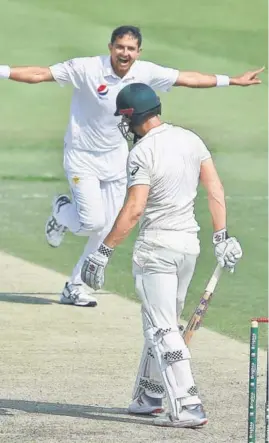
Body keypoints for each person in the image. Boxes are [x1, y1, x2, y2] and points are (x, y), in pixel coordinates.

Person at [0, 25, 258, 307]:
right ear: (111, 47)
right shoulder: (87, 68)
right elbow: (40, 74)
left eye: (131, 48)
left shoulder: (145, 72)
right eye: (120, 47)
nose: (125, 53)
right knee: (92, 222)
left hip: (115, 157)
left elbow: (187, 78)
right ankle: (62, 210)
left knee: (108, 226)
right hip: (82, 155)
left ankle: (74, 286)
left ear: (138, 52)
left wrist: (231, 81)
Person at [80, 83, 243, 427]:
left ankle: (187, 405)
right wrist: (222, 235)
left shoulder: (141, 153)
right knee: (162, 322)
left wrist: (103, 251)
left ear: (131, 117)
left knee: (163, 327)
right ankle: (149, 395)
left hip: (156, 249)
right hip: (189, 248)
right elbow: (214, 187)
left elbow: (135, 208)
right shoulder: (190, 139)